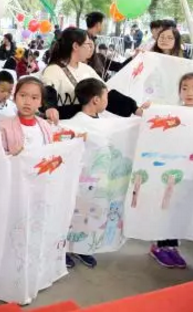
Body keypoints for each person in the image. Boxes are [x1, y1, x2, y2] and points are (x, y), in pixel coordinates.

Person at [42, 28, 143, 123]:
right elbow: (47, 92)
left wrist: (134, 108)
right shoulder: (53, 70)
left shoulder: (86, 69)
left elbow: (106, 94)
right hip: (65, 128)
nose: (91, 48)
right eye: (88, 44)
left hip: (88, 126)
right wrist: (50, 107)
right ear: (76, 46)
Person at [149, 73, 193, 270]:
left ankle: (173, 246)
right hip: (171, 171)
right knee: (166, 206)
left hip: (189, 173)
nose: (189, 92)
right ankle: (159, 245)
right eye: (184, 88)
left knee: (181, 209)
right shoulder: (173, 114)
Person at [64, 78, 109, 269]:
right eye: (106, 96)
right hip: (79, 178)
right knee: (71, 213)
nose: (107, 100)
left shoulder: (105, 122)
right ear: (96, 100)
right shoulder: (76, 123)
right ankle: (64, 249)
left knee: (88, 214)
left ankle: (82, 247)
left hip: (97, 180)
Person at [0, 77, 54, 156]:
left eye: (34, 98)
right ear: (14, 98)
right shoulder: (3, 127)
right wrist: (12, 155)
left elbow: (49, 152)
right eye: (23, 95)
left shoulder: (46, 126)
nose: (27, 102)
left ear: (41, 103)